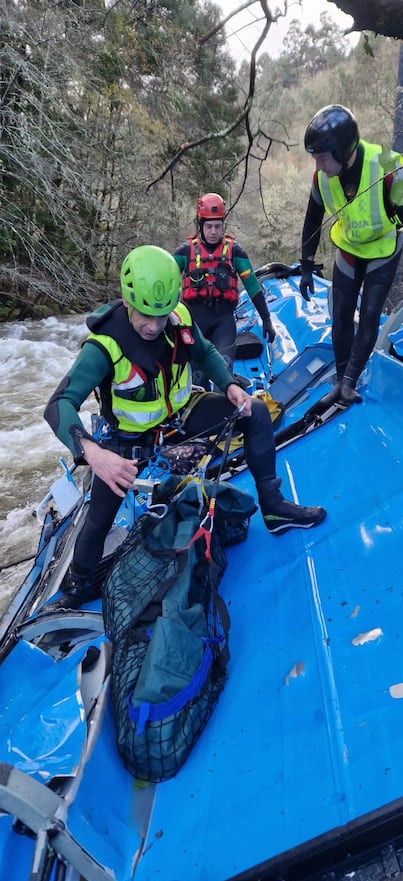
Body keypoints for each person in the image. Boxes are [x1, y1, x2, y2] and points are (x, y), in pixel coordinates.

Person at [44, 245, 326, 609]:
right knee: (98, 520)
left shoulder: (176, 317)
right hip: (128, 439)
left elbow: (205, 353)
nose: (155, 325)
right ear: (129, 302)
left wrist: (230, 386)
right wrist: (93, 454)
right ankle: (76, 587)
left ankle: (273, 508)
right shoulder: (102, 346)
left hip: (181, 416)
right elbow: (58, 405)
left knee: (255, 412)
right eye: (146, 315)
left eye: (161, 315)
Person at [300, 104, 403, 405]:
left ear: (342, 149)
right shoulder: (321, 178)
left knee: (369, 316)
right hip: (349, 248)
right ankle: (340, 378)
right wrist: (306, 265)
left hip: (382, 249)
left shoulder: (386, 165)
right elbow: (312, 218)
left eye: (322, 159)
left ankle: (349, 382)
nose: (319, 167)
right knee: (339, 314)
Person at [174, 192, 276, 384]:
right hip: (194, 322)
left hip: (223, 322)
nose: (213, 231)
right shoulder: (185, 251)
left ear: (223, 225)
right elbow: (165, 281)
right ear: (201, 225)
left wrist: (267, 319)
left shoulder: (235, 251)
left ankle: (226, 410)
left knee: (224, 374)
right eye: (209, 226)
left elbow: (253, 287)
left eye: (217, 226)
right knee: (197, 379)